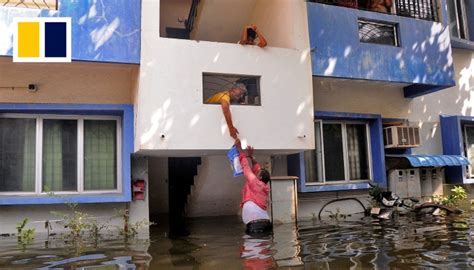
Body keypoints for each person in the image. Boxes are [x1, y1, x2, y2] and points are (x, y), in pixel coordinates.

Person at [235, 138, 272, 235]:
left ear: (259, 177)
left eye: (257, 173)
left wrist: (240, 150)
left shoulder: (254, 182)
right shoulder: (263, 186)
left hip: (256, 225)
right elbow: (257, 168)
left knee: (254, 248)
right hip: (265, 222)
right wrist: (251, 157)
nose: (255, 173)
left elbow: (246, 167)